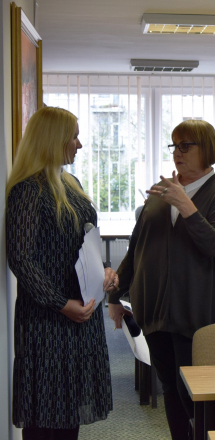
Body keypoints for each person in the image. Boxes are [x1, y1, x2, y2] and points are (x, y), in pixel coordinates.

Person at [108, 119, 215, 440]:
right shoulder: (160, 193)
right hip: (152, 310)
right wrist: (114, 297)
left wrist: (185, 204)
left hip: (193, 310)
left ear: (206, 149)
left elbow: (212, 244)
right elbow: (136, 248)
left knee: (193, 392)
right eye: (174, 146)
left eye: (186, 146)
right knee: (169, 386)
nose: (177, 153)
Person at [6, 107, 116, 439]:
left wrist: (104, 271)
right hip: (48, 319)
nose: (79, 144)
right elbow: (21, 259)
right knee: (46, 415)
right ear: (53, 140)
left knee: (69, 414)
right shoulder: (28, 190)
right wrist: (60, 303)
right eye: (74, 137)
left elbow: (84, 241)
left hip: (81, 314)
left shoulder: (71, 183)